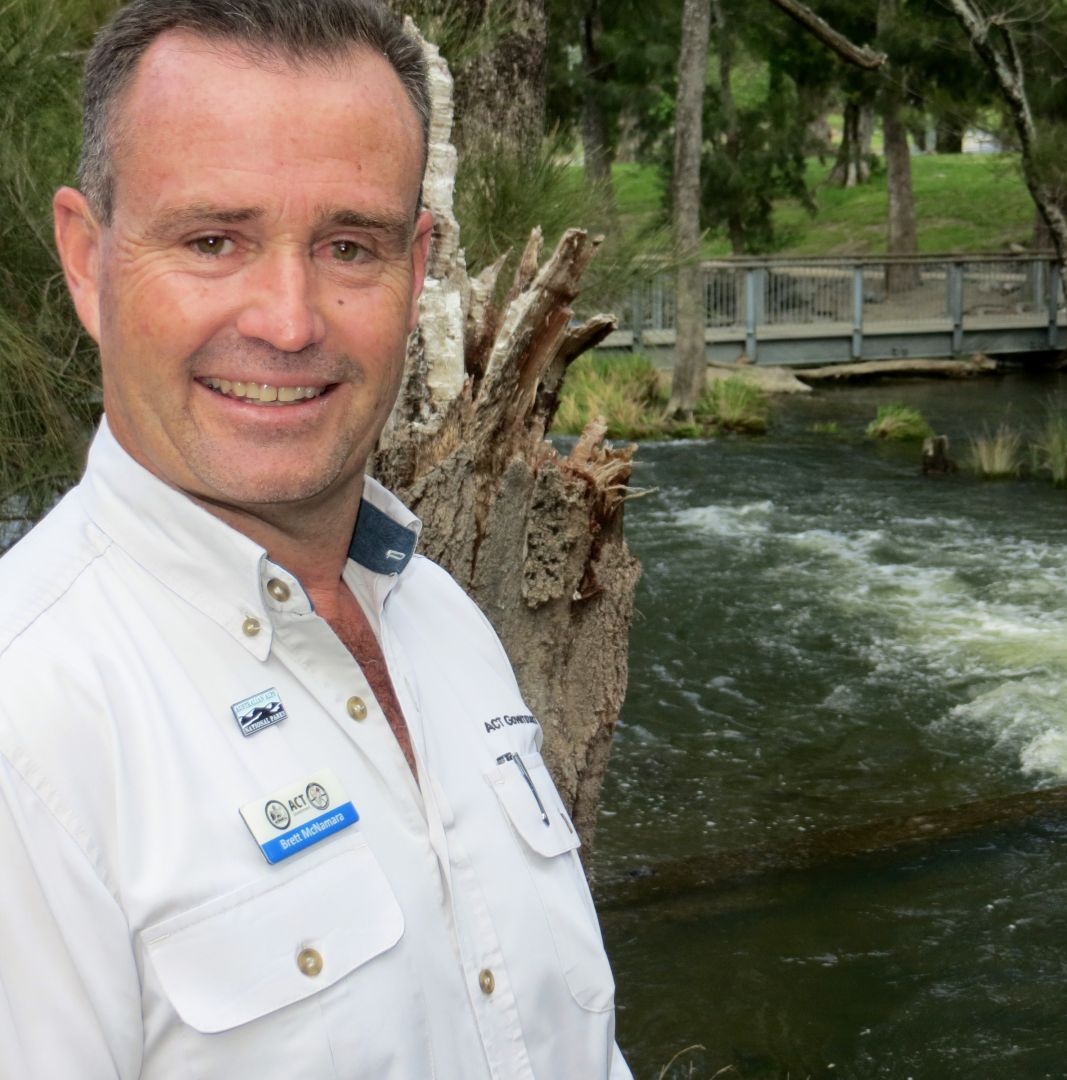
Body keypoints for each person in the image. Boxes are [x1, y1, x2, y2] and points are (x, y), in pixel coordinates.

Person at [0, 1, 631, 1076]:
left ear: (418, 265)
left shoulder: (448, 626)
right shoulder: (34, 725)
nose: (289, 321)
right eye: (213, 240)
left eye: (350, 246)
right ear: (84, 259)